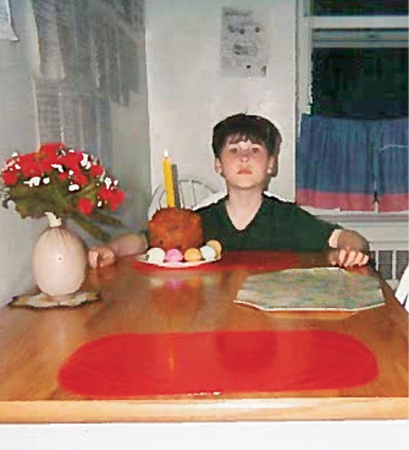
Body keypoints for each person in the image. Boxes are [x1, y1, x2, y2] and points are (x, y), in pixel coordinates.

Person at [89, 113, 369, 269]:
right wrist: (111, 249)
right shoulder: (197, 222)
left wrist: (350, 251)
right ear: (218, 165)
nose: (244, 158)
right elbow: (141, 241)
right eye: (234, 150)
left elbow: (349, 237)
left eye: (255, 150)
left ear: (271, 164)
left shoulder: (287, 218)